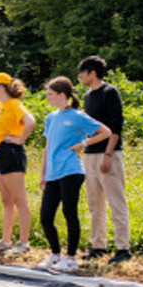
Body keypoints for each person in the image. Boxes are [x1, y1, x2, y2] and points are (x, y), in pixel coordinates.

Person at [38, 77, 111, 273]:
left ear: (63, 95)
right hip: (53, 173)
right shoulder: (51, 117)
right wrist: (43, 172)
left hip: (71, 171)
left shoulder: (77, 116)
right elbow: (48, 146)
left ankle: (70, 257)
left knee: (69, 213)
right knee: (45, 217)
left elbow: (105, 132)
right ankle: (55, 253)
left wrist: (83, 144)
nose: (48, 97)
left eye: (50, 94)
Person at [77, 56, 132, 263]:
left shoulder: (110, 93)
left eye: (82, 73)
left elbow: (116, 127)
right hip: (90, 154)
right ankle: (98, 245)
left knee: (116, 200)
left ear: (92, 73)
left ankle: (122, 248)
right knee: (94, 202)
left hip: (109, 153)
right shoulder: (88, 96)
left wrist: (108, 155)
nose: (80, 77)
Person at [0, 73, 36, 255]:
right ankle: (6, 241)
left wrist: (20, 139)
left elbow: (30, 121)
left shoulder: (14, 104)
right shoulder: (0, 106)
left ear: (1, 87)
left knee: (19, 199)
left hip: (10, 153)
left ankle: (23, 243)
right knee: (6, 200)